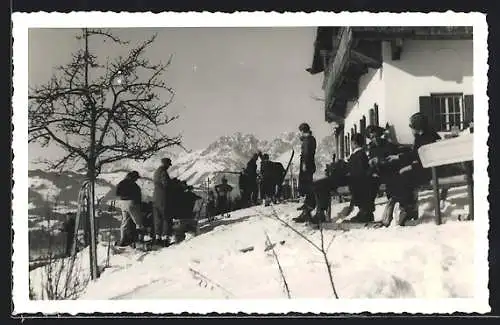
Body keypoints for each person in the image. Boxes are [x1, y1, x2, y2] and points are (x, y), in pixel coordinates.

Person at [384, 112, 441, 225]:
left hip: (431, 170)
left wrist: (409, 167)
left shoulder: (425, 139)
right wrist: (398, 157)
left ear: (417, 127)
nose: (410, 130)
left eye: (411, 127)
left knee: (403, 175)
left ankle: (406, 208)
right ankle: (402, 205)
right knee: (398, 173)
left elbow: (422, 159)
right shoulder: (423, 137)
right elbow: (415, 154)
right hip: (427, 167)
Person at [343, 133, 376, 223]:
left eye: (351, 143)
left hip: (359, 181)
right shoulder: (360, 154)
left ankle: (364, 213)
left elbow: (359, 170)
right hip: (360, 180)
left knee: (358, 190)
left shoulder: (358, 154)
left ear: (354, 143)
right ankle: (364, 212)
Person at [293, 123, 317, 222]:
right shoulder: (311, 139)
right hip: (309, 166)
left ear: (303, 131)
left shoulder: (307, 140)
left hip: (306, 166)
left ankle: (307, 210)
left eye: (301, 132)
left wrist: (304, 164)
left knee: (307, 187)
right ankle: (307, 209)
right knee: (308, 187)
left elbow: (306, 153)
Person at [115, 171, 144, 246]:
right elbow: (138, 196)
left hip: (122, 203)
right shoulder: (134, 185)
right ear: (133, 177)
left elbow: (117, 193)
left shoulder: (121, 183)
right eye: (136, 178)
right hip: (132, 203)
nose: (136, 180)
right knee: (138, 222)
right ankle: (139, 240)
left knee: (124, 222)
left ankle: (122, 240)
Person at [153, 158, 174, 247]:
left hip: (156, 197)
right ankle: (165, 238)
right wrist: (173, 183)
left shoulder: (156, 172)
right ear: (166, 164)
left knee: (158, 218)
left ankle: (158, 237)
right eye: (169, 165)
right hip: (163, 197)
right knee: (166, 216)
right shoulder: (163, 172)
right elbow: (166, 184)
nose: (169, 167)